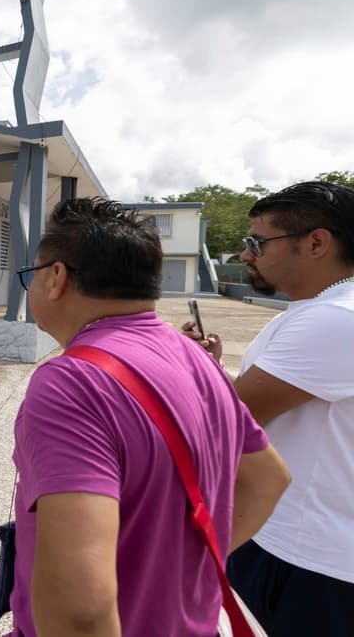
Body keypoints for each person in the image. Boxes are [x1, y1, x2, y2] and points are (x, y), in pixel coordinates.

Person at [10, 198, 289, 637]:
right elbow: (268, 479)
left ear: (56, 278)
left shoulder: (72, 382)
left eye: (32, 275)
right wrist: (179, 564)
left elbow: (79, 612)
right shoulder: (195, 358)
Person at [186, 181, 354, 637]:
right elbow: (252, 404)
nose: (244, 255)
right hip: (289, 537)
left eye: (256, 242)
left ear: (317, 242)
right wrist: (212, 367)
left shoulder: (334, 319)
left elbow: (225, 420)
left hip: (311, 561)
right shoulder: (309, 312)